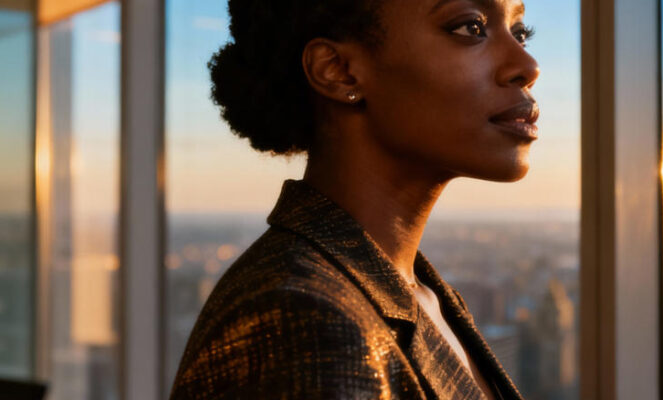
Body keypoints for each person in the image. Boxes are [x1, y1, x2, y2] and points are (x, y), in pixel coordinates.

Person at [169, 0, 538, 398]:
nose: (528, 66)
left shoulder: (416, 294)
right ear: (338, 71)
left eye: (519, 33)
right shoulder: (306, 325)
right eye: (470, 28)